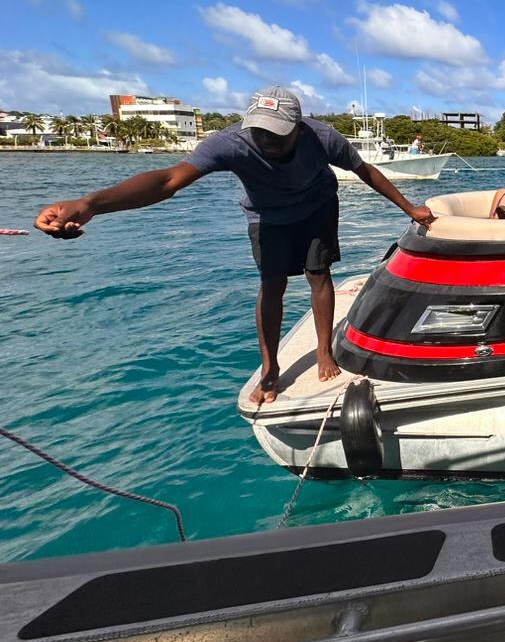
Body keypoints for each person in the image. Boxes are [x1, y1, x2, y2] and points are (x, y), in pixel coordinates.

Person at [33, 86, 436, 405]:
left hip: (316, 206)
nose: (266, 142)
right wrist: (91, 204)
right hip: (267, 216)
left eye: (277, 135)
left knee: (318, 274)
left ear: (299, 126)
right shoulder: (230, 143)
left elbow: (364, 170)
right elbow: (168, 180)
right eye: (259, 132)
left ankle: (323, 352)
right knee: (272, 284)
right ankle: (270, 366)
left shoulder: (323, 137)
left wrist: (408, 208)